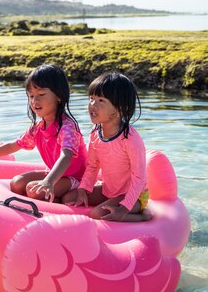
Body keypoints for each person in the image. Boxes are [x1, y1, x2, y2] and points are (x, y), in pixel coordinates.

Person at [0, 64, 87, 202]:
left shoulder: (68, 127)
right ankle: (54, 197)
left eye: (41, 94)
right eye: (31, 96)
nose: (35, 101)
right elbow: (13, 146)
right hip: (54, 174)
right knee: (17, 183)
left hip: (74, 177)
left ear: (59, 96)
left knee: (34, 191)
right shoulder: (38, 127)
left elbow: (66, 157)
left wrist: (49, 181)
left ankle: (58, 199)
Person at [62, 72, 152, 222]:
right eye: (91, 99)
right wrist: (84, 189)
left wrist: (124, 209)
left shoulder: (130, 139)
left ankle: (143, 216)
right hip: (108, 191)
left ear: (119, 109)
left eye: (100, 100)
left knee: (97, 214)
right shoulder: (95, 133)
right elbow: (92, 165)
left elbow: (139, 178)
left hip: (133, 195)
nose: (93, 105)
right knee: (68, 197)